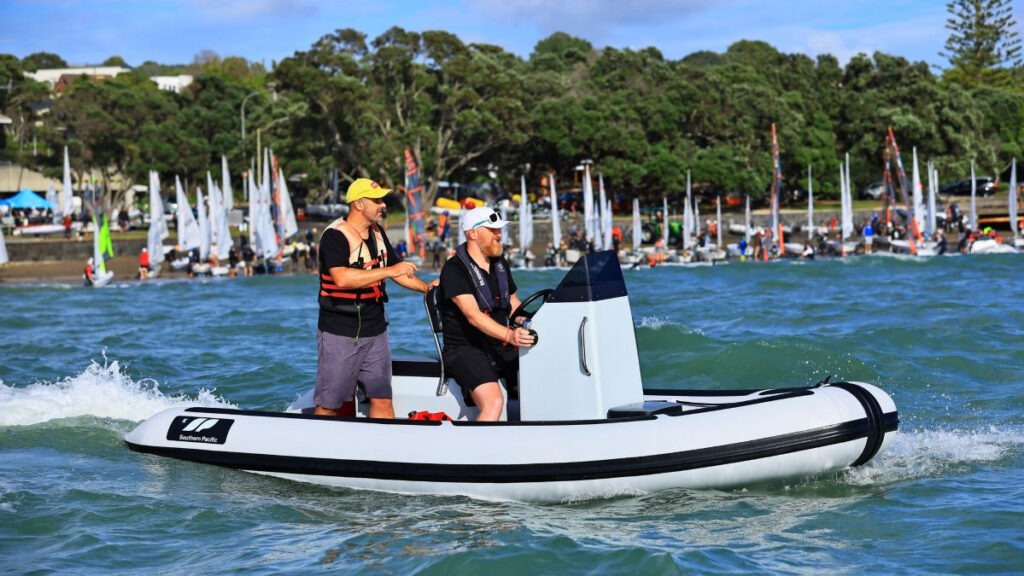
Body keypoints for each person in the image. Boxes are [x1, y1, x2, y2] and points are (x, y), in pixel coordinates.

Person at [314, 178, 437, 419]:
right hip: (340, 331)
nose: (383, 205)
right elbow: (342, 279)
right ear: (359, 204)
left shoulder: (378, 232)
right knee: (329, 404)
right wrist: (389, 271)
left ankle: (384, 442)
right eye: (377, 200)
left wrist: (427, 289)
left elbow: (398, 272)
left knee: (382, 399)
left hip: (376, 330)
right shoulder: (334, 236)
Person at [439, 206, 536, 421]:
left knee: (542, 379)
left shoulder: (500, 264)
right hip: (465, 349)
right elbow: (472, 315)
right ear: (472, 233)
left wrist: (532, 321)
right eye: (493, 230)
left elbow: (513, 304)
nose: (499, 234)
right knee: (494, 402)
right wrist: (510, 335)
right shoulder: (454, 269)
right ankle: (478, 444)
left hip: (498, 344)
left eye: (499, 230)